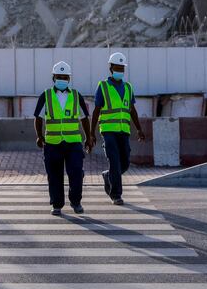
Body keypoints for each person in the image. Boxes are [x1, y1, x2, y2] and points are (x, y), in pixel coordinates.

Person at [33, 61, 92, 216]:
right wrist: (39, 136)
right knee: (54, 175)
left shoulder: (76, 95)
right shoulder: (45, 95)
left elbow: (85, 118)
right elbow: (38, 118)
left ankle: (76, 201)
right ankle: (57, 204)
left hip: (73, 143)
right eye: (59, 76)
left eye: (65, 77)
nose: (62, 79)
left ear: (69, 79)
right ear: (53, 77)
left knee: (76, 173)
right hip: (52, 143)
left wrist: (89, 137)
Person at [90, 52, 145, 205]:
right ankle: (116, 195)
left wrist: (139, 129)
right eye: (117, 67)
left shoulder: (128, 87)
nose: (120, 70)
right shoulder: (103, 86)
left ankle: (108, 176)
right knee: (114, 161)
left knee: (125, 163)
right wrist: (91, 133)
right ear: (111, 68)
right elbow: (96, 111)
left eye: (122, 68)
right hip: (108, 131)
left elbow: (132, 110)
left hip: (123, 131)